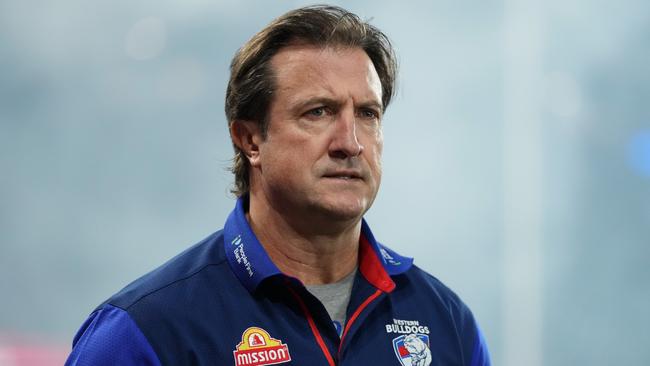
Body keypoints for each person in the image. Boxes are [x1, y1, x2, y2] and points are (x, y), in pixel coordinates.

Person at [65, 5, 490, 366]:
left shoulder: (447, 323)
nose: (351, 143)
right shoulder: (145, 331)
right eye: (318, 112)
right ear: (250, 140)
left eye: (367, 113)